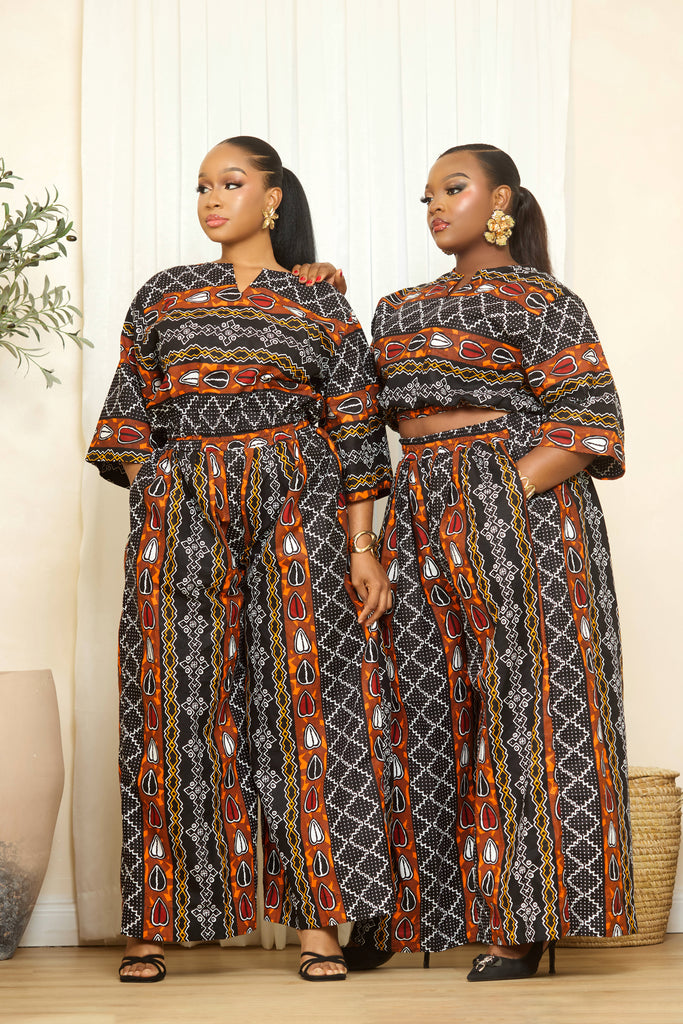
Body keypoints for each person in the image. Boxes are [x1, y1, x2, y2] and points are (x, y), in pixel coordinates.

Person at [298, 143, 636, 980]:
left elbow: (589, 420)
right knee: (407, 698)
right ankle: (406, 910)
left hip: (524, 512)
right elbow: (351, 409)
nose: (436, 207)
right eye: (426, 197)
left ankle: (524, 920)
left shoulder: (544, 300)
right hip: (417, 505)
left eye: (453, 189)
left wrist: (498, 493)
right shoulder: (397, 307)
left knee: (531, 705)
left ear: (501, 201)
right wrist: (317, 295)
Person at [86, 136, 396, 983]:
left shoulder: (320, 299)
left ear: (272, 198)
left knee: (307, 697)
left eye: (230, 183)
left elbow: (356, 429)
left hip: (299, 498)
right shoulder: (162, 293)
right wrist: (160, 485)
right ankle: (155, 921)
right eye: (201, 186)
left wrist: (362, 549)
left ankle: (319, 927)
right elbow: (127, 414)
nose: (211, 199)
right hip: (183, 499)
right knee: (169, 697)